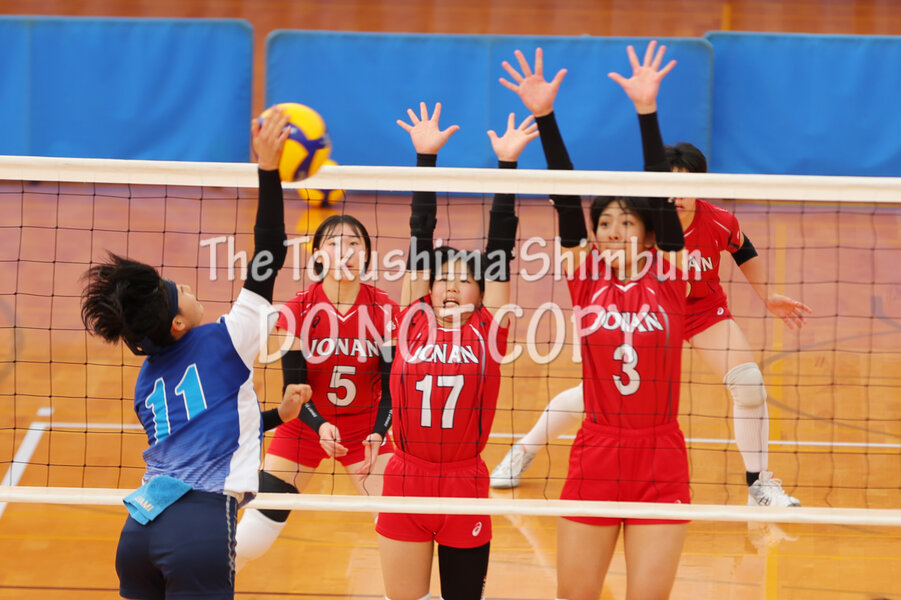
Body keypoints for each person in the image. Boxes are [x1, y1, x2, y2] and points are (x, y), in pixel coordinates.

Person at [491, 42, 812, 508]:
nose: (676, 195)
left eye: (686, 185)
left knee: (748, 384)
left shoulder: (717, 221)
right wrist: (548, 117)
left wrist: (767, 295)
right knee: (590, 397)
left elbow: (743, 249)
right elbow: (568, 203)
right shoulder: (646, 226)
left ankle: (759, 483)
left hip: (701, 312)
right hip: (640, 313)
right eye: (669, 185)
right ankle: (524, 449)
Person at [81, 107, 311, 599]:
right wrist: (268, 169)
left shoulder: (146, 384)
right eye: (177, 291)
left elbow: (204, 428)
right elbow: (269, 251)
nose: (185, 285)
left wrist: (277, 416)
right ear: (177, 323)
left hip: (138, 531)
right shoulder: (230, 337)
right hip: (200, 526)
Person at [498, 46, 690, 600]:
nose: (612, 231)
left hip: (660, 456)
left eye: (626, 222)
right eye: (604, 222)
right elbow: (566, 201)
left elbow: (660, 195)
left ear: (648, 233)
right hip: (596, 453)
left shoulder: (670, 275)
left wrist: (647, 112)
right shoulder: (586, 276)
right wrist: (544, 117)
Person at [375, 103, 535, 600]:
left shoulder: (490, 328)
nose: (450, 285)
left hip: (464, 480)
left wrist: (507, 167)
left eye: (464, 280)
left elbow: (501, 248)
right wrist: (425, 160)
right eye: (442, 277)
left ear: (482, 294)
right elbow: (419, 235)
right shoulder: (411, 318)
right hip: (405, 475)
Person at [234, 210, 399, 570]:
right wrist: (320, 425)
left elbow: (391, 391)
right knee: (252, 536)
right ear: (318, 256)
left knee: (398, 523)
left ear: (367, 255)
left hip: (366, 429)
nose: (346, 251)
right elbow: (293, 388)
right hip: (304, 426)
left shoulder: (385, 311)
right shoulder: (298, 310)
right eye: (334, 244)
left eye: (354, 243)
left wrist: (378, 432)